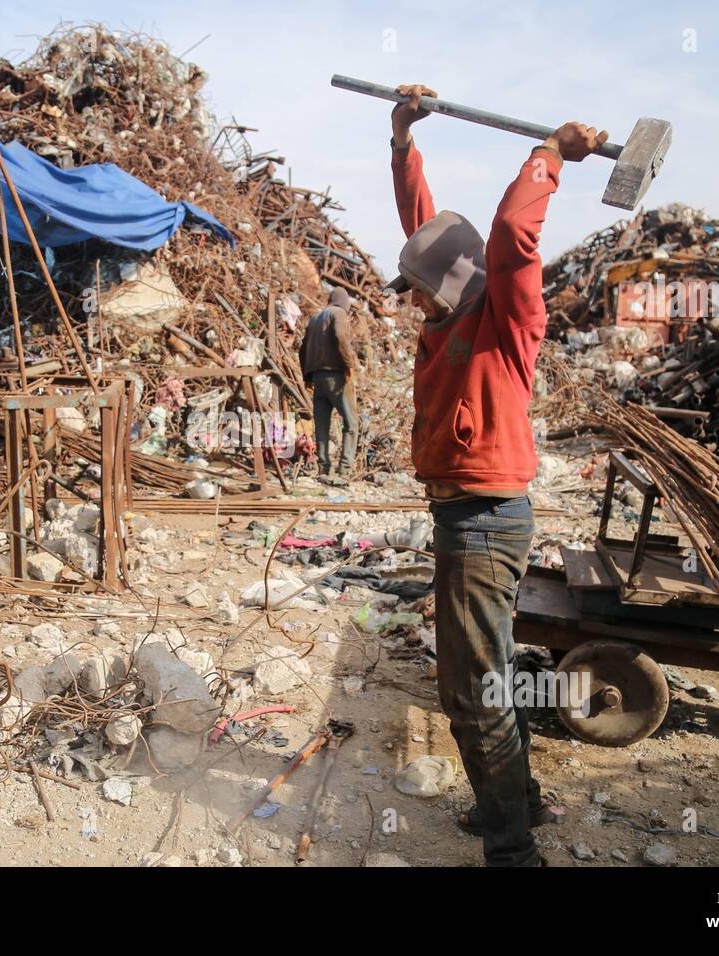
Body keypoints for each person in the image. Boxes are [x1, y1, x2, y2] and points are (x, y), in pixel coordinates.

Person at [387, 83, 608, 866]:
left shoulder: (506, 319)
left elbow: (513, 231)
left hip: (483, 522)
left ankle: (514, 850)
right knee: (492, 672)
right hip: (466, 521)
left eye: (416, 290)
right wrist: (402, 141)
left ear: (448, 287)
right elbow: (428, 232)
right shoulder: (447, 309)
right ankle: (523, 802)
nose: (410, 301)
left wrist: (551, 153)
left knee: (468, 690)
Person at [298, 287, 360, 480]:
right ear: (345, 302)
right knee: (351, 424)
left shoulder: (316, 318)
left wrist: (307, 376)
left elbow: (303, 348)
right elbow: (341, 336)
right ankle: (344, 470)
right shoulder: (339, 313)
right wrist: (349, 364)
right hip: (336, 377)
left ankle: (324, 468)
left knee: (322, 426)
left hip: (317, 378)